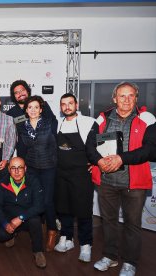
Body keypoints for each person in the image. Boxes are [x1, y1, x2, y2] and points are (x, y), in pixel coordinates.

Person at [87, 82, 155, 276]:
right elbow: (90, 146)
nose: (126, 100)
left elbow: (150, 150)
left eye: (131, 96)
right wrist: (99, 161)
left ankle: (130, 262)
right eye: (122, 96)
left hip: (133, 184)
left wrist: (121, 158)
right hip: (106, 182)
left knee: (132, 225)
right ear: (114, 99)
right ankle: (110, 256)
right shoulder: (101, 119)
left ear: (136, 98)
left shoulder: (147, 120)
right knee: (109, 222)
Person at [54, 93, 96, 262]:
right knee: (63, 208)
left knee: (83, 210)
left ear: (76, 104)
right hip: (61, 173)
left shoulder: (89, 123)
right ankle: (67, 237)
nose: (67, 107)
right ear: (60, 107)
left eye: (70, 103)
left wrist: (96, 162)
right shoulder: (57, 124)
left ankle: (86, 244)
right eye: (63, 104)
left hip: (81, 174)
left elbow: (97, 146)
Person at [15, 95, 58, 252]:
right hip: (31, 167)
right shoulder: (22, 126)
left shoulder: (50, 123)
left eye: (36, 107)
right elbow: (21, 148)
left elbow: (56, 146)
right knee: (32, 200)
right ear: (26, 110)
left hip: (48, 167)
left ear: (41, 109)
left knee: (47, 201)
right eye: (30, 107)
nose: (33, 110)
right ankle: (33, 231)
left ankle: (52, 231)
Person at [0, 157, 46, 268]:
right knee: (0, 236)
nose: (17, 171)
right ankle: (13, 233)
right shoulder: (2, 183)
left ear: (25, 168)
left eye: (20, 168)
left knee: (35, 220)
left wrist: (21, 218)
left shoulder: (34, 181)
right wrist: (5, 224)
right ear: (9, 169)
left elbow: (39, 206)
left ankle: (38, 251)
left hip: (27, 217)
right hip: (10, 217)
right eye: (13, 168)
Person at [6, 80, 55, 158]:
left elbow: (53, 123)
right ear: (14, 96)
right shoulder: (11, 113)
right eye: (16, 92)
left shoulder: (42, 105)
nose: (20, 94)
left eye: (22, 90)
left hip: (44, 152)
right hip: (24, 154)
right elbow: (10, 136)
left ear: (28, 91)